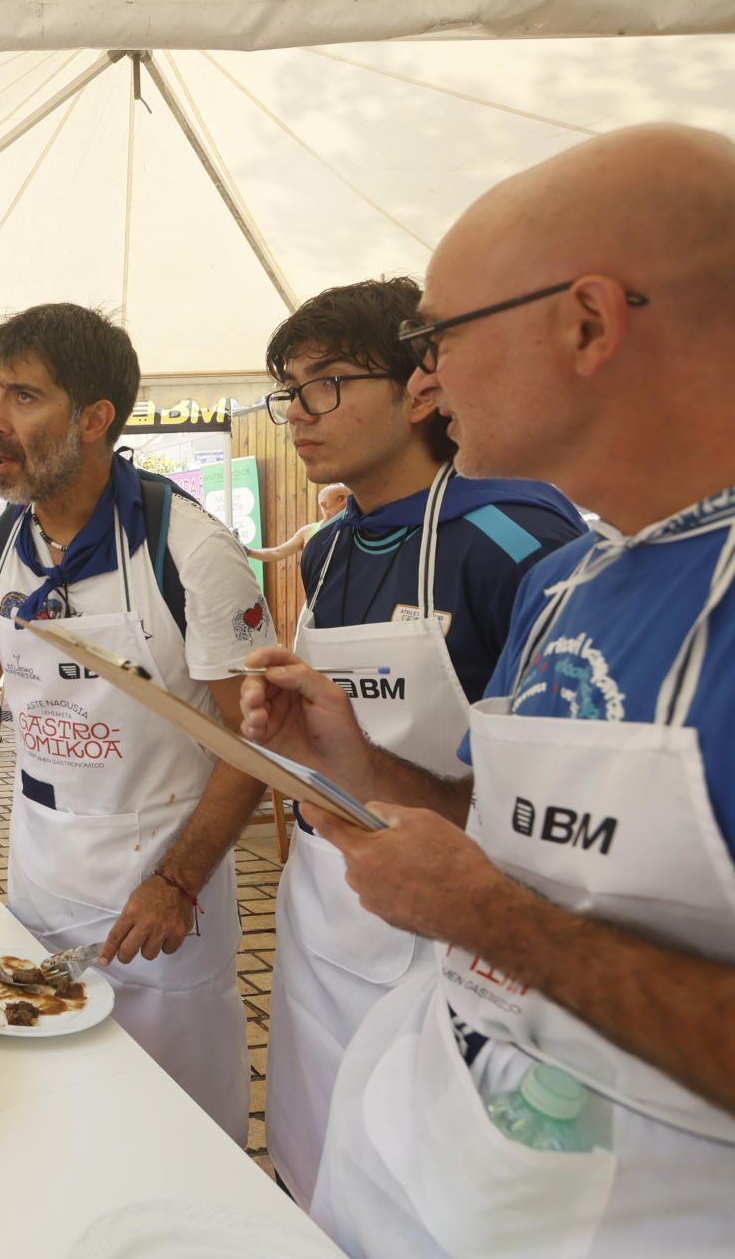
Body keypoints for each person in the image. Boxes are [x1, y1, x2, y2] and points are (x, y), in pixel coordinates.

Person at [240, 124, 735, 1256]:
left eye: (441, 336)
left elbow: (506, 900)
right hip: (431, 1184)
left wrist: (488, 917)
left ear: (589, 322)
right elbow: (527, 843)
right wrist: (367, 769)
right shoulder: (571, 581)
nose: (430, 378)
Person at [0, 303, 275, 1139]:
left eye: (24, 396)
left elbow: (256, 743)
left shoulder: (189, 551)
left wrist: (178, 881)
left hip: (163, 895)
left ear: (94, 418)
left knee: (178, 1132)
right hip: (41, 880)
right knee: (65, 1117)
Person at [255, 278, 585, 1204]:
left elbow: (549, 794)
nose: (298, 414)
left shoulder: (515, 536)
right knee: (313, 1164)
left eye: (326, 382)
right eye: (289, 388)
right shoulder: (325, 549)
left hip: (448, 933)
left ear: (422, 385)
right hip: (321, 904)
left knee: (414, 1190)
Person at [246, 483, 349, 563]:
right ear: (324, 504)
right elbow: (277, 553)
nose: (347, 502)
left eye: (349, 497)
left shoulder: (354, 527)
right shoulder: (308, 532)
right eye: (340, 498)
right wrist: (248, 551)